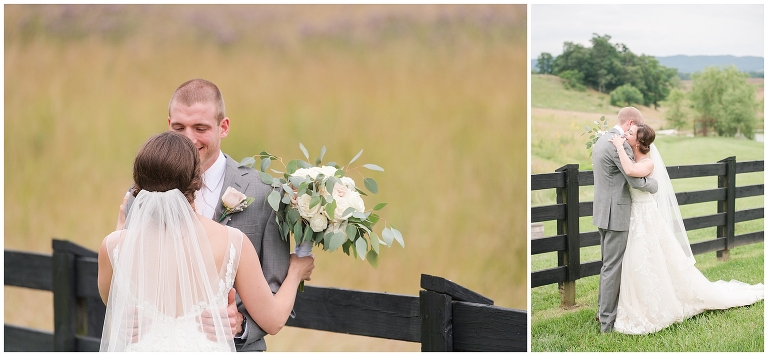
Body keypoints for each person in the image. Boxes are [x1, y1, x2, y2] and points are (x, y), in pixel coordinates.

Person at [98, 131, 315, 351]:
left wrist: (120, 230)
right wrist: (296, 271)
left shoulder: (113, 247)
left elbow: (115, 305)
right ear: (197, 181)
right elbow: (274, 320)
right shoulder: (232, 242)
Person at [118, 79, 290, 351]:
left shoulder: (265, 192)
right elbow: (126, 279)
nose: (188, 138)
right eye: (179, 127)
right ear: (169, 124)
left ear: (223, 127)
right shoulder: (142, 196)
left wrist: (242, 324)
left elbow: (275, 294)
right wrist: (126, 317)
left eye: (200, 128)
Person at [606, 123, 764, 335]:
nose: (625, 134)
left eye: (630, 133)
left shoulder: (647, 163)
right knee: (637, 262)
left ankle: (654, 309)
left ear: (640, 142)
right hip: (634, 217)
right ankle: (637, 305)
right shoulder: (633, 156)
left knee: (642, 260)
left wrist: (617, 146)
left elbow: (630, 171)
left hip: (646, 218)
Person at [591, 107, 659, 333]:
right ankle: (607, 322)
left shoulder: (601, 141)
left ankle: (602, 313)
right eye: (635, 128)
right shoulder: (617, 145)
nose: (634, 134)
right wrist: (655, 185)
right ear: (630, 124)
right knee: (613, 268)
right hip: (616, 214)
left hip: (602, 212)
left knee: (607, 266)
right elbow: (637, 182)